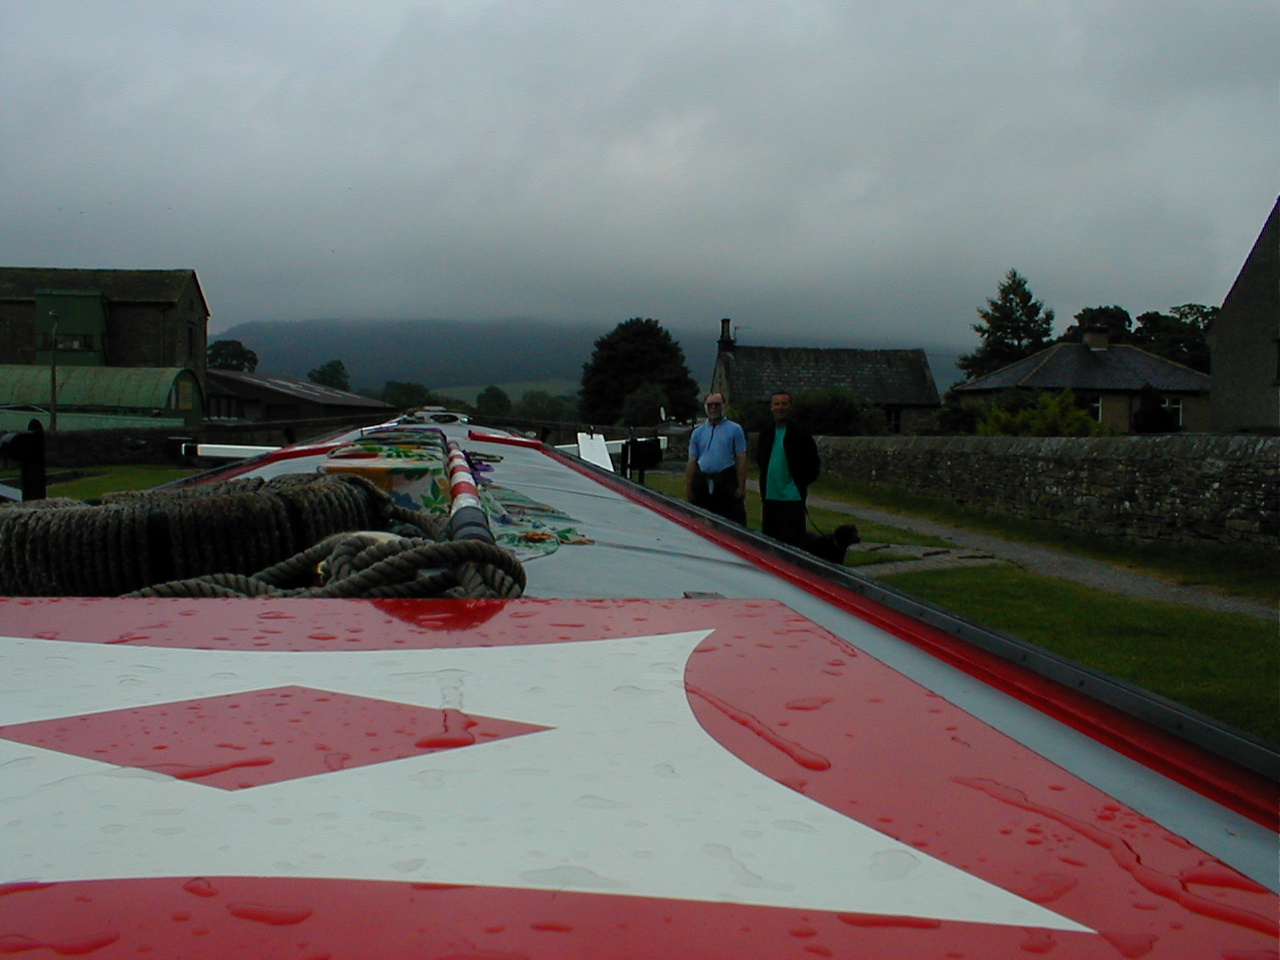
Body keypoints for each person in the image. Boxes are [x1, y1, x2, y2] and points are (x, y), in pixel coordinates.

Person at [755, 390, 820, 547]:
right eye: (777, 404)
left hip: (792, 498)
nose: (780, 407)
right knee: (770, 545)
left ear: (791, 407)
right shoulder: (766, 434)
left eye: (784, 404)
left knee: (792, 545)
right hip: (770, 497)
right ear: (771, 407)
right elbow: (760, 461)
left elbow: (813, 465)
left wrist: (799, 484)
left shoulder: (801, 434)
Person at [685, 392, 748, 524]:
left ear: (723, 406)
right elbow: (692, 461)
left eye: (717, 405)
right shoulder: (697, 433)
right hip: (702, 482)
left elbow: (741, 458)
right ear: (705, 406)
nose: (713, 408)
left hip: (726, 483)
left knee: (730, 523)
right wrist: (689, 487)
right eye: (710, 405)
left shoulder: (735, 429)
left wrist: (741, 486)